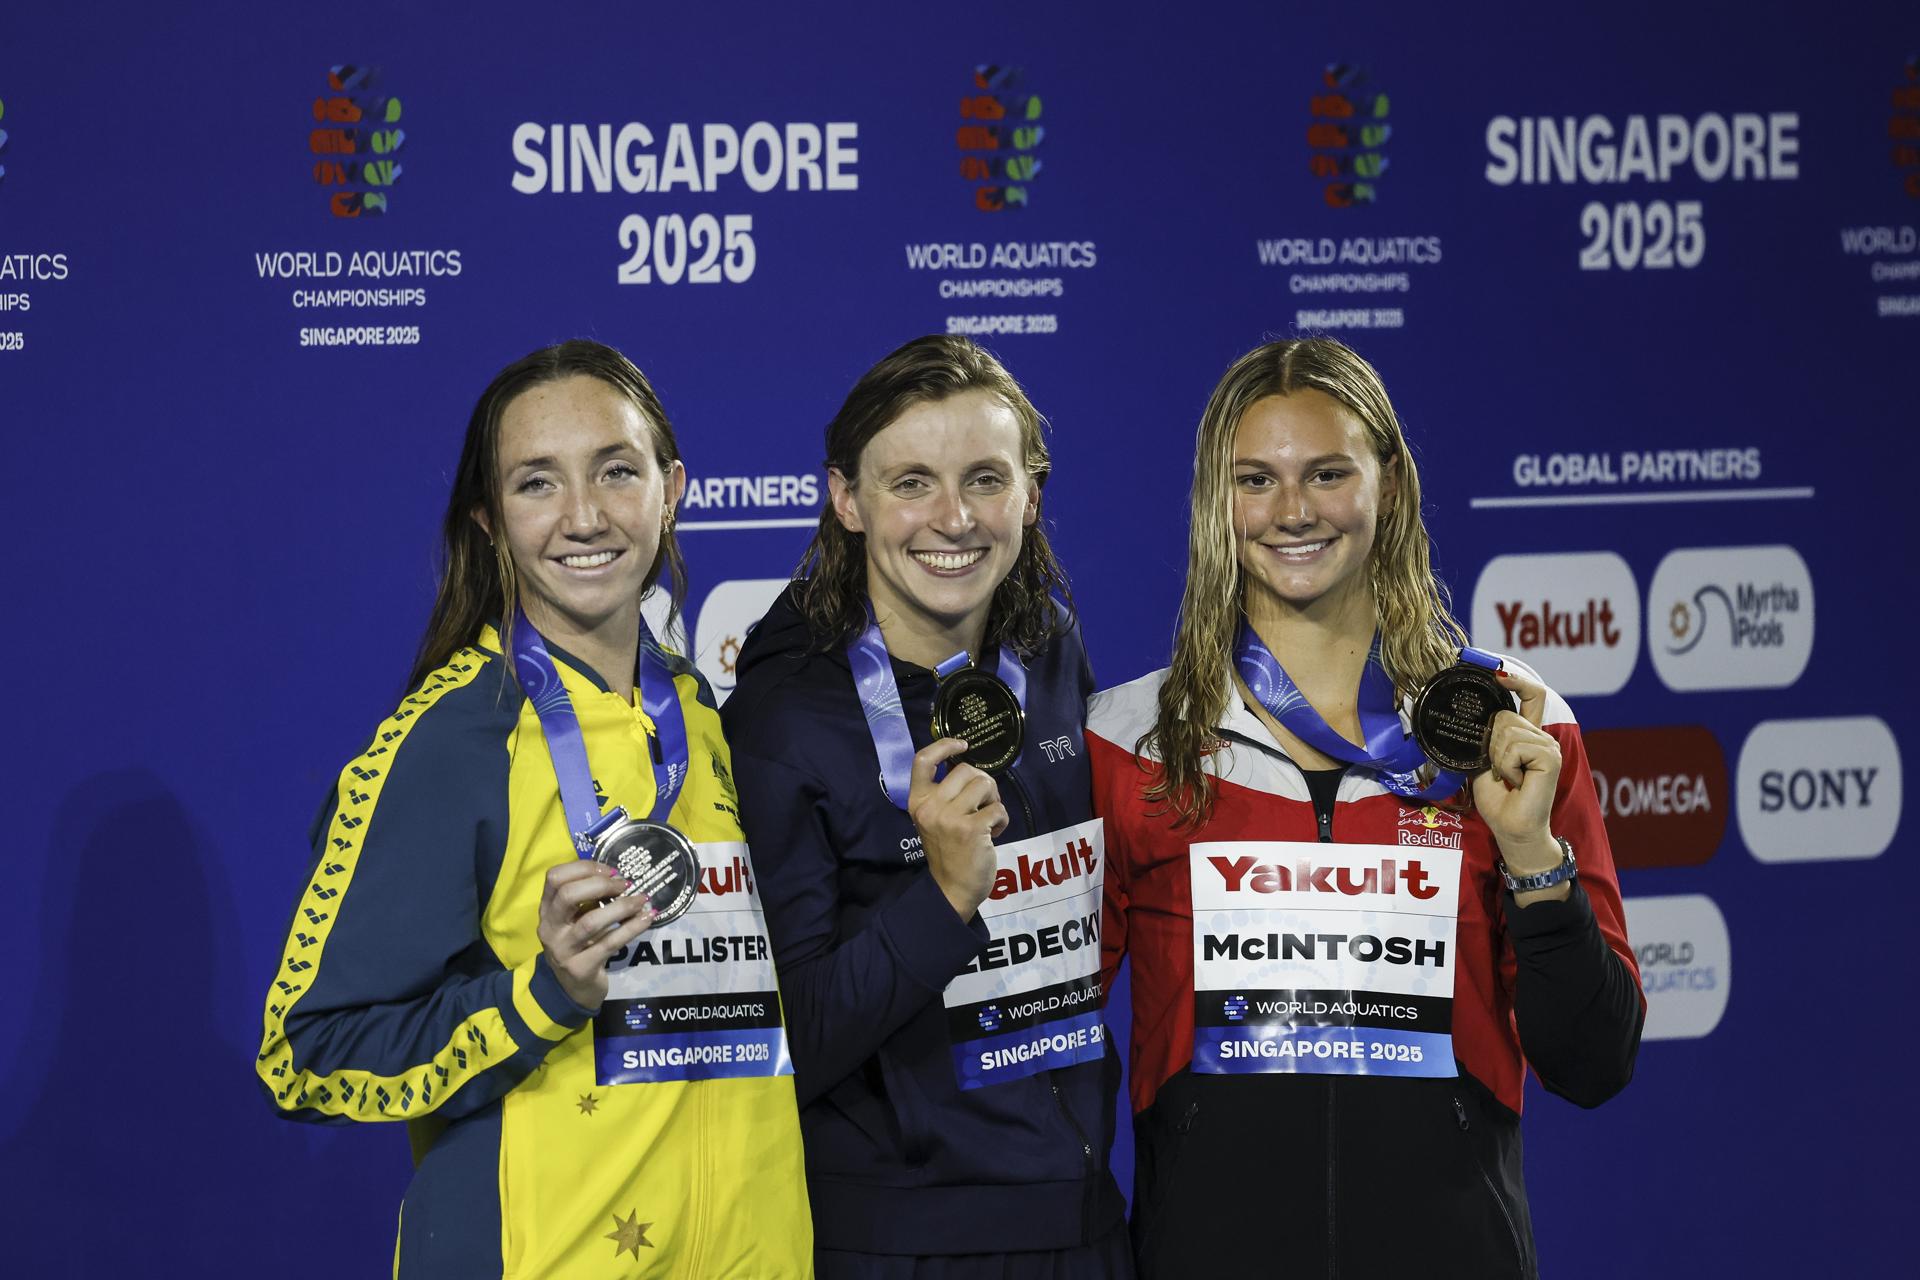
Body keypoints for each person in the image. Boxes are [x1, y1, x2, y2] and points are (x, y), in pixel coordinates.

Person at [1088, 338, 1643, 1278]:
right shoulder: (1129, 740)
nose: (1294, 511)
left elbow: (1594, 1062)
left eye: (1329, 472)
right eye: (1255, 479)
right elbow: (1038, 1039)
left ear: (1390, 483)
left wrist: (1533, 862)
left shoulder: (1513, 725)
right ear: (1216, 505)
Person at [256, 339, 811, 1277]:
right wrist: (539, 995)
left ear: (672, 490)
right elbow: (305, 1054)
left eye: (617, 472)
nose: (585, 517)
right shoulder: (453, 741)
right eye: (537, 484)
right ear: (488, 520)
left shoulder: (701, 712)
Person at [721, 335, 1130, 1278]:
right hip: (899, 1242)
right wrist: (942, 899)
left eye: (985, 479)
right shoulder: (785, 717)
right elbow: (790, 1040)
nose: (953, 519)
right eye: (911, 483)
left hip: (1079, 1220)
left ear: (1030, 493)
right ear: (847, 501)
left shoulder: (1050, 648)